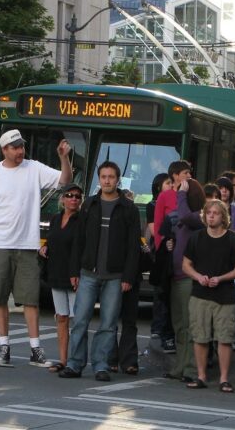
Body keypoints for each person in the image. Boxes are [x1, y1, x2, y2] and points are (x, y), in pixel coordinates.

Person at [0, 129, 72, 368]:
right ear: (4, 149)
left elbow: (65, 181)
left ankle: (35, 349)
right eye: (14, 147)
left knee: (30, 299)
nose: (20, 151)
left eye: (21, 147)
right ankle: (3, 348)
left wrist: (64, 158)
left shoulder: (33, 168)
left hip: (27, 244)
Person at [60, 161, 141, 381]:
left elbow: (134, 247)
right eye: (103, 177)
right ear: (99, 179)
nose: (107, 181)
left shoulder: (129, 209)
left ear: (118, 180)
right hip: (88, 273)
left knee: (108, 324)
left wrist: (128, 277)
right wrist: (74, 271)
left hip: (115, 277)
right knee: (80, 321)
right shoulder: (89, 205)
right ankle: (75, 364)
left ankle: (102, 366)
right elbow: (79, 240)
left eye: (111, 177)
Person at [183, 199, 235, 392]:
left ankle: (224, 378)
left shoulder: (232, 240)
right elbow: (186, 265)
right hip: (200, 294)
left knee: (224, 338)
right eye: (208, 212)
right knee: (200, 337)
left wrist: (221, 278)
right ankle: (201, 375)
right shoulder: (196, 237)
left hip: (225, 295)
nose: (211, 215)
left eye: (215, 213)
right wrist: (198, 276)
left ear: (223, 217)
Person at [164, 178, 207, 383]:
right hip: (177, 275)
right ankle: (180, 365)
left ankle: (190, 367)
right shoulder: (186, 219)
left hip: (189, 277)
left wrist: (182, 193)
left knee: (189, 325)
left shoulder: (199, 216)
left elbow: (184, 214)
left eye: (181, 195)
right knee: (179, 324)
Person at [39, 183, 84, 373]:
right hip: (56, 273)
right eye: (69, 195)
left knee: (78, 320)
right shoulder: (56, 219)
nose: (73, 198)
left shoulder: (82, 220)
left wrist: (79, 273)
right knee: (61, 318)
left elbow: (81, 249)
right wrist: (45, 247)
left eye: (77, 196)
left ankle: (75, 361)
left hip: (74, 276)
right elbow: (52, 239)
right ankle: (63, 360)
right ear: (63, 199)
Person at [152, 161, 192, 355]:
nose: (188, 176)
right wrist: (163, 248)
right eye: (185, 173)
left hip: (187, 254)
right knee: (167, 297)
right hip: (169, 254)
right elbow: (159, 224)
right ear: (175, 176)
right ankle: (167, 335)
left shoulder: (192, 195)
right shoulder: (165, 196)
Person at [146, 174, 174, 353]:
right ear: (158, 187)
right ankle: (157, 328)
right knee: (160, 291)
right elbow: (154, 229)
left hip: (172, 249)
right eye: (168, 183)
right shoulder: (152, 205)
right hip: (160, 250)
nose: (171, 186)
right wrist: (165, 240)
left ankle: (166, 330)